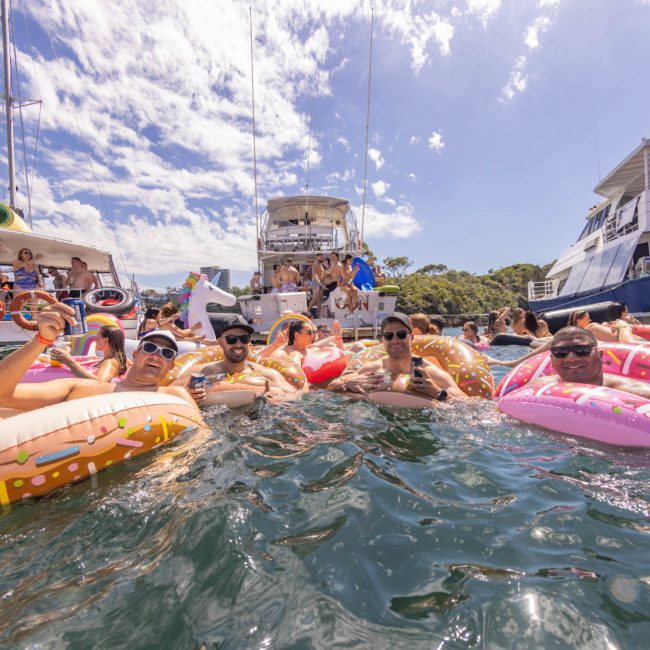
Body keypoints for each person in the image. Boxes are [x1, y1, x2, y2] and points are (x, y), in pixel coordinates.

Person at [0, 303, 196, 414]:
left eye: (167, 353)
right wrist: (42, 340)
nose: (157, 355)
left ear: (171, 366)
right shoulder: (78, 388)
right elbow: (3, 395)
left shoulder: (176, 395)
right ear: (135, 356)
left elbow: (198, 440)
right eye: (151, 348)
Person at [329, 312, 467, 401]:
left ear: (411, 337)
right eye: (388, 335)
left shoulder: (427, 372)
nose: (395, 340)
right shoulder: (375, 368)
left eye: (401, 334)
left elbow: (469, 404)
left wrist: (437, 392)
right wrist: (347, 385)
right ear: (383, 340)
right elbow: (331, 387)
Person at [187, 315, 298, 404]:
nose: (239, 344)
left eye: (244, 339)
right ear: (220, 342)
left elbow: (296, 395)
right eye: (231, 339)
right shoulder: (202, 372)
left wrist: (278, 398)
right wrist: (188, 394)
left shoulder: (265, 374)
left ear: (249, 342)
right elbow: (172, 392)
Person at [536, 327, 650, 398]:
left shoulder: (633, 392)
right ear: (552, 360)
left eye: (582, 350)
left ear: (600, 356)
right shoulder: (538, 387)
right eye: (561, 352)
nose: (571, 358)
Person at [50, 325, 129, 382]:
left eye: (98, 337)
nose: (94, 340)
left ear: (106, 340)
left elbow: (101, 382)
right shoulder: (114, 359)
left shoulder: (110, 362)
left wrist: (69, 362)